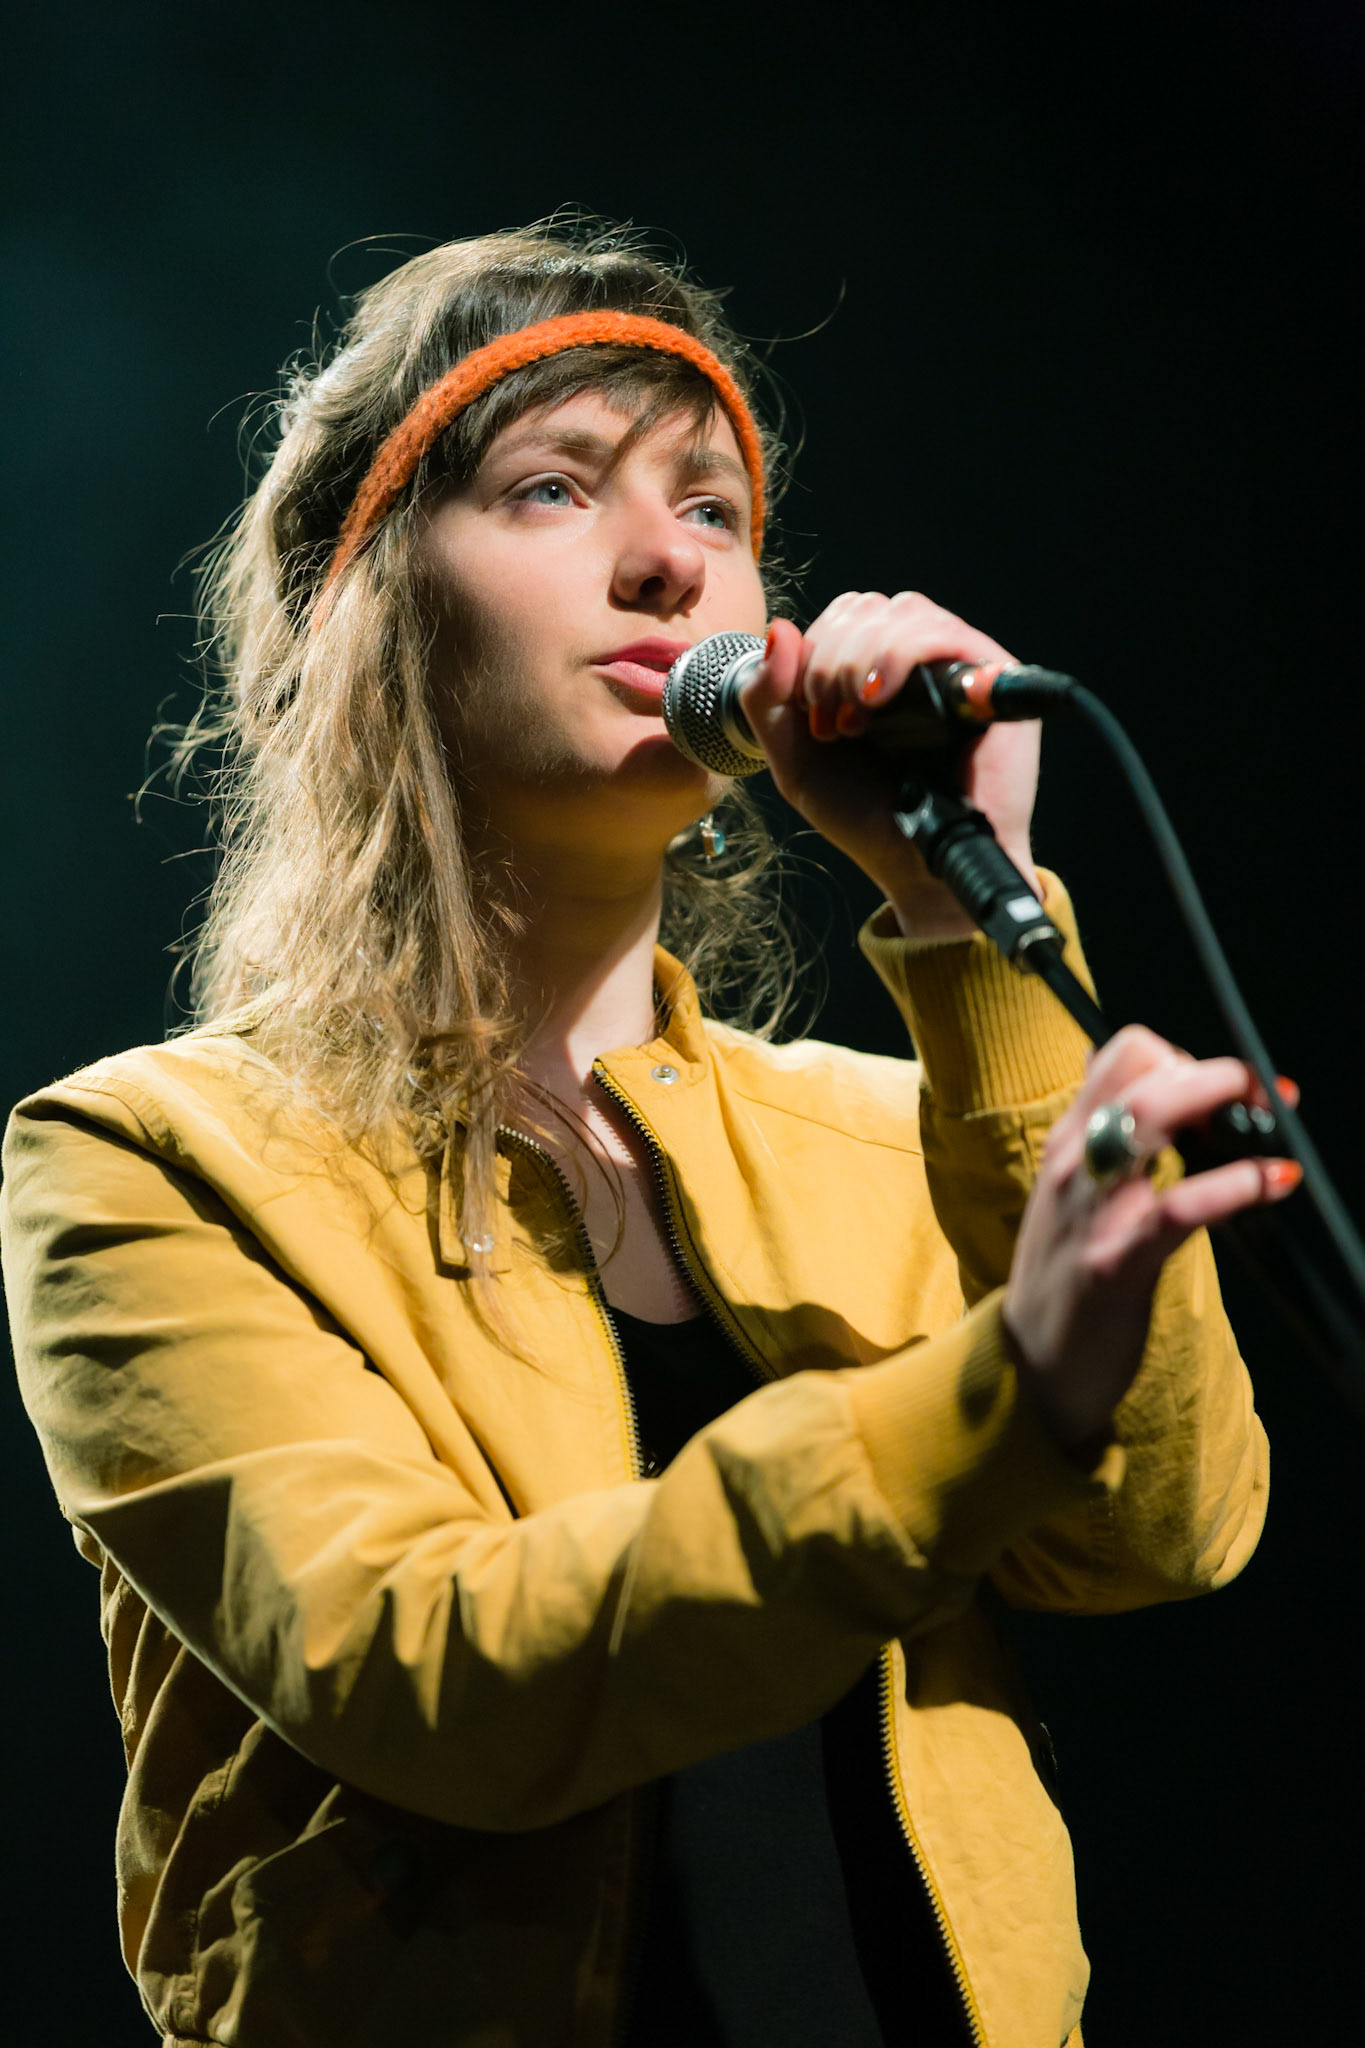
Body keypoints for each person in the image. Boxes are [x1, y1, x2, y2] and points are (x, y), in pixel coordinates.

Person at [1, 223, 1282, 2048]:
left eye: (712, 507)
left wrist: (961, 918)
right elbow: (427, 1673)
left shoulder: (891, 1131)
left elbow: (1167, 1533)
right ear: (362, 605)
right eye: (549, 488)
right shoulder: (146, 1160)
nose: (669, 560)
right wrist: (1003, 1383)